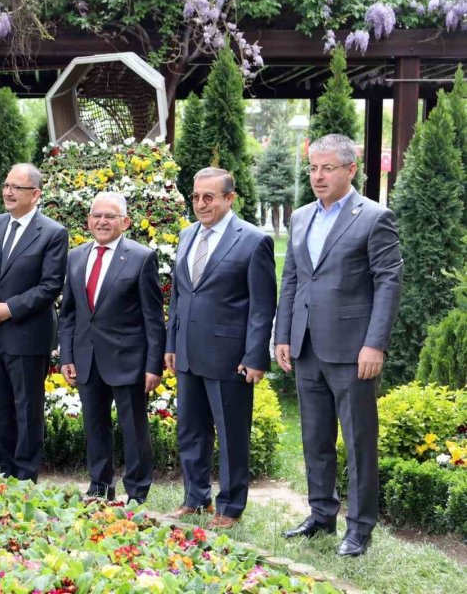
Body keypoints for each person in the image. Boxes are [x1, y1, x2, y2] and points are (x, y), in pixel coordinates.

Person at [275, 134, 402, 557]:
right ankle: (321, 513)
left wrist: (375, 344)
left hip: (353, 350)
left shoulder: (374, 216)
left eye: (327, 168)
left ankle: (360, 527)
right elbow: (292, 278)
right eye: (313, 168)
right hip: (307, 345)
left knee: (359, 439)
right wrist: (283, 335)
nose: (317, 176)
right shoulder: (301, 217)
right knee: (314, 437)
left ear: (351, 170)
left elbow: (388, 281)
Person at [164, 167, 276, 529]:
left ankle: (230, 506)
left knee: (231, 434)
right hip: (188, 353)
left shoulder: (253, 240)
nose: (200, 204)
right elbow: (179, 296)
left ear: (230, 198)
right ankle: (195, 498)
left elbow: (262, 306)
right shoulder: (186, 236)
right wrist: (171, 343)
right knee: (190, 430)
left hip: (230, 358)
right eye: (195, 197)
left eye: (209, 197)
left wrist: (256, 356)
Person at [58, 192, 165, 504]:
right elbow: (69, 313)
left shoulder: (141, 257)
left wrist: (152, 364)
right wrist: (67, 355)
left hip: (128, 360)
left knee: (133, 428)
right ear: (89, 220)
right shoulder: (76, 257)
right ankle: (99, 485)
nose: (102, 221)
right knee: (94, 424)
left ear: (125, 222)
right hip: (87, 358)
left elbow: (153, 317)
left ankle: (137, 490)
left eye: (110, 216)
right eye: (96, 216)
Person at [0, 162, 68, 482]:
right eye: (6, 185)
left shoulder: (53, 233)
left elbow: (50, 286)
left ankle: (25, 476)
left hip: (26, 334)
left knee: (27, 409)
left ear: (35, 194)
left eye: (17, 188)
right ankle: (4, 469)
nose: (8, 192)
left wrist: (9, 309)